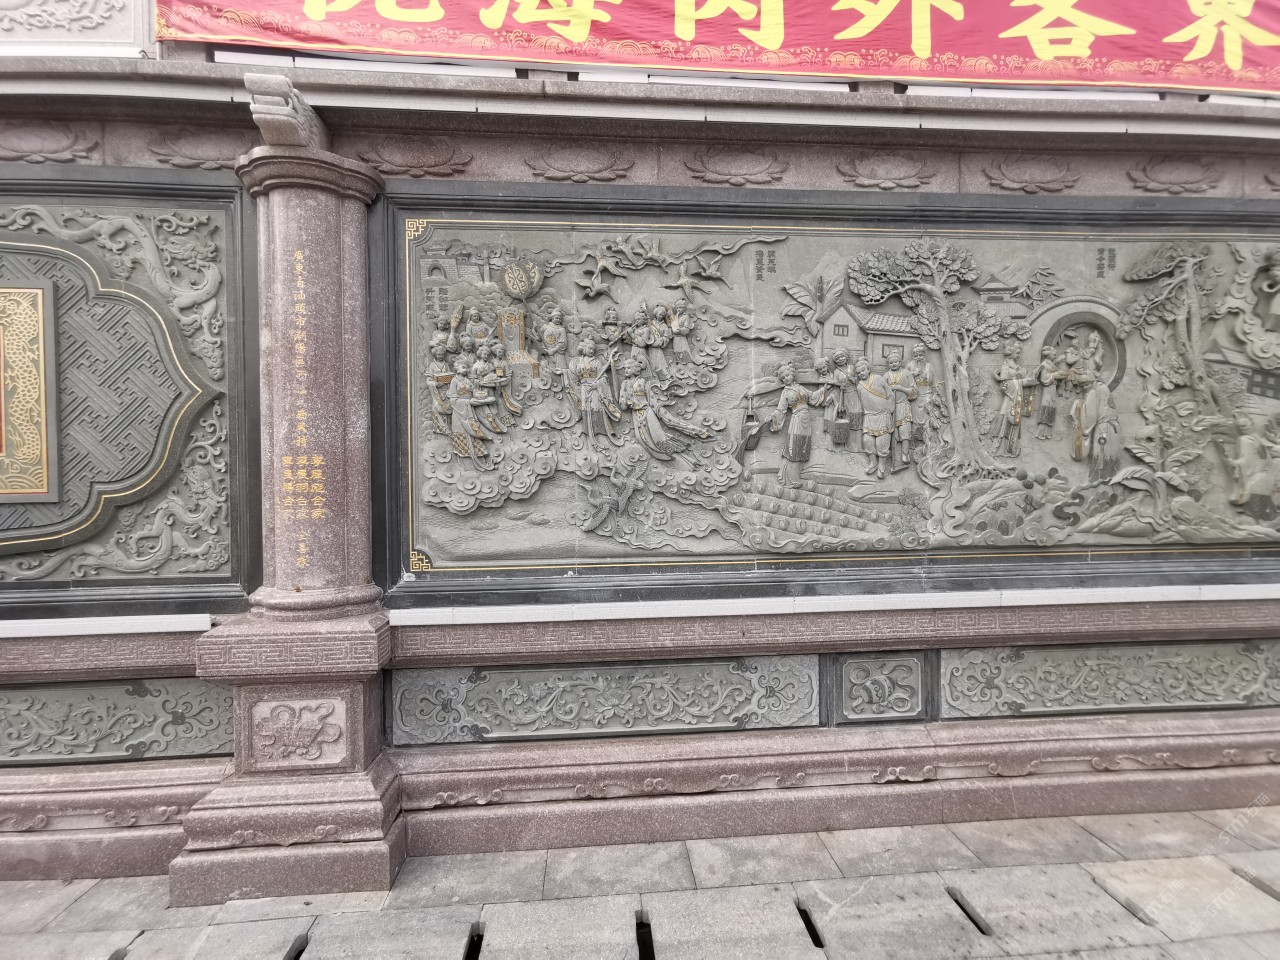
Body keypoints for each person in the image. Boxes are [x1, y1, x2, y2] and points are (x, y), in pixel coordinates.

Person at [769, 362, 825, 487]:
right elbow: (781, 410)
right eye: (783, 378)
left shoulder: (800, 387)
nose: (786, 378)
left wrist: (824, 389)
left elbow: (812, 396)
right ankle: (789, 479)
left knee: (803, 445)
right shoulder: (785, 392)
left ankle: (796, 475)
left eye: (787, 375)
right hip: (796, 419)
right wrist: (773, 417)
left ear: (792, 374)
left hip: (806, 419)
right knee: (794, 446)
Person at [568, 338, 622, 445]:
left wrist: (596, 385)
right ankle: (588, 433)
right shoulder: (578, 362)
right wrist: (563, 372)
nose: (592, 351)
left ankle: (600, 433)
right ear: (584, 348)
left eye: (593, 349)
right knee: (586, 410)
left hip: (595, 389)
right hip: (583, 389)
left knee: (596, 408)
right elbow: (573, 374)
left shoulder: (597, 362)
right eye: (590, 348)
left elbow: (604, 377)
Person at [993, 342, 1036, 458]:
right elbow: (1004, 386)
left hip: (1017, 398)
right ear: (1011, 353)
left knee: (1015, 421)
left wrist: (1028, 381)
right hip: (1009, 399)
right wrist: (1022, 382)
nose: (1019, 355)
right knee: (1007, 420)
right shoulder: (1005, 368)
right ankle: (1001, 449)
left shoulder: (1018, 368)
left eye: (1019, 353)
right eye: (1017, 353)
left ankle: (1011, 447)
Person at [854, 358, 894, 479]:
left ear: (868, 369)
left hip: (883, 415)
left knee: (882, 443)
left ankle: (882, 465)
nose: (861, 373)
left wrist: (890, 409)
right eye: (858, 372)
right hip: (869, 417)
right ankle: (873, 463)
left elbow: (890, 394)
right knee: (867, 441)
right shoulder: (859, 386)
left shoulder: (878, 378)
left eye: (863, 370)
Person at [883, 352, 917, 472]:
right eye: (891, 362)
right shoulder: (886, 376)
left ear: (900, 362)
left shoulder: (906, 373)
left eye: (896, 362)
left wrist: (900, 388)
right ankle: (893, 458)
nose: (893, 364)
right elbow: (882, 392)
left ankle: (905, 454)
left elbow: (914, 391)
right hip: (891, 408)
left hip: (903, 405)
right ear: (888, 364)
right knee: (893, 433)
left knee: (904, 430)